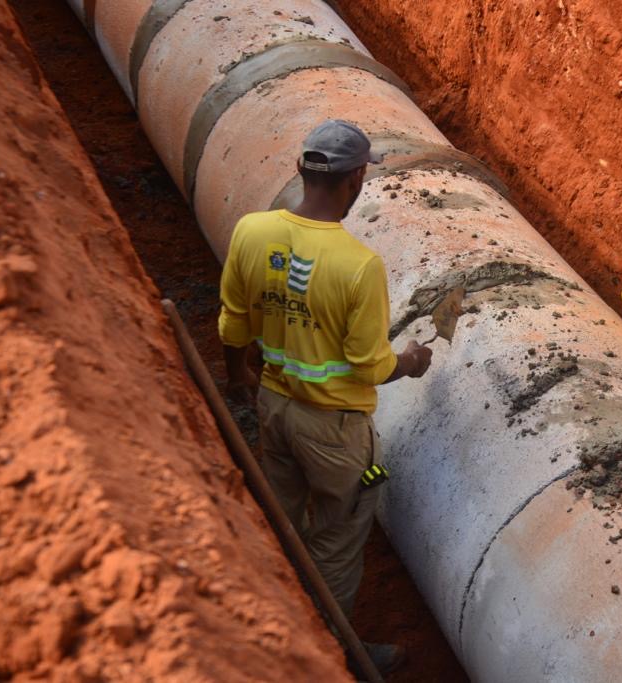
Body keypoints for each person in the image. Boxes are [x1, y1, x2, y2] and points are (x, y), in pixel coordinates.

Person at [218, 119, 432, 674]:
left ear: (300, 170)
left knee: (280, 524)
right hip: (335, 430)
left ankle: (265, 630)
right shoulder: (359, 266)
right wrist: (408, 363)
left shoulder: (250, 231)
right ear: (357, 178)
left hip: (275, 407)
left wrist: (238, 377)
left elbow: (233, 325)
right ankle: (324, 656)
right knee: (335, 543)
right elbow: (369, 364)